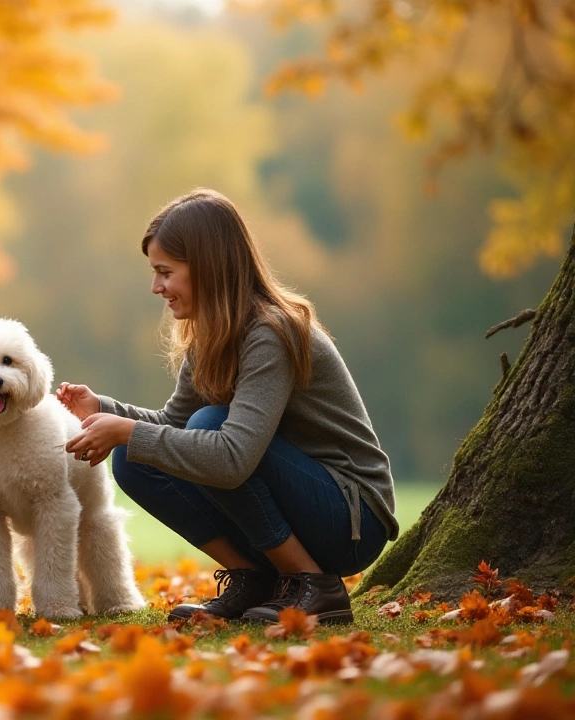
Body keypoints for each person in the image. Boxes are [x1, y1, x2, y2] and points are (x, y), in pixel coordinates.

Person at [60, 188, 396, 625]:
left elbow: (232, 459)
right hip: (301, 506)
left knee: (208, 427)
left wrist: (126, 429)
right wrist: (102, 409)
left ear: (206, 266)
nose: (156, 287)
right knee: (133, 455)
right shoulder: (213, 335)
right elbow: (172, 425)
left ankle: (314, 585)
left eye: (165, 272)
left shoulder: (270, 332)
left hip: (350, 517)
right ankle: (254, 578)